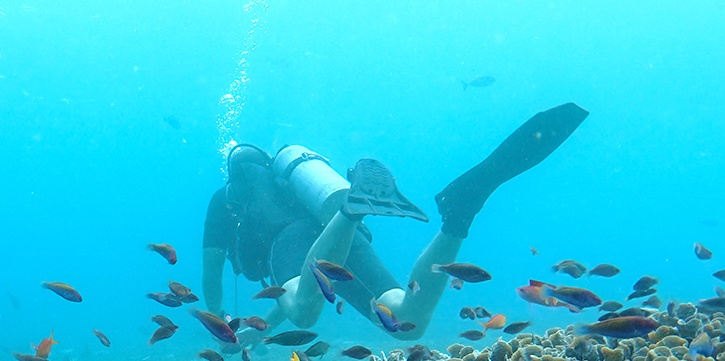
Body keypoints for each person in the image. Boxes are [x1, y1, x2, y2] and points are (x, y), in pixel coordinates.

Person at [200, 103, 588, 341]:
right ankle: (459, 215)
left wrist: (220, 324)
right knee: (406, 321)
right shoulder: (292, 186)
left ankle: (352, 209)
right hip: (338, 233)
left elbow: (213, 274)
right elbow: (300, 291)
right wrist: (263, 327)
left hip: (293, 243)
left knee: (305, 313)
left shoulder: (226, 199)